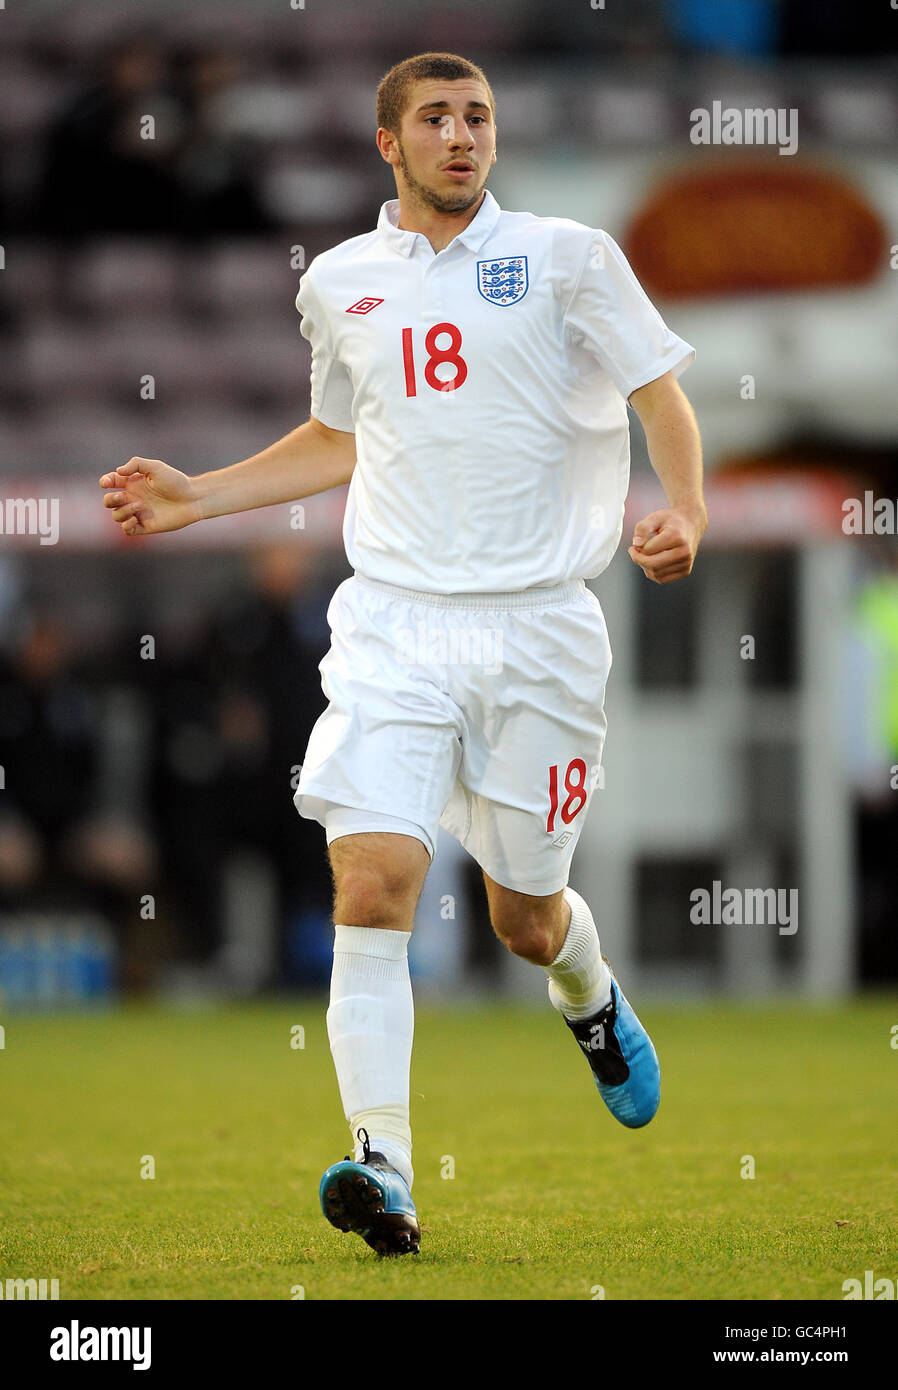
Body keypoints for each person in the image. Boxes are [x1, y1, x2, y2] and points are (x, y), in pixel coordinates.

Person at [99, 51, 707, 1258]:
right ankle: (384, 1166)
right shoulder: (339, 282)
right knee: (373, 883)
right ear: (389, 143)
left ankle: (585, 995)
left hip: (539, 625)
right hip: (393, 622)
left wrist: (684, 509)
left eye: (478, 116)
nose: (462, 135)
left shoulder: (567, 257)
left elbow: (661, 398)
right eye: (435, 118)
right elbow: (339, 434)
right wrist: (198, 497)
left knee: (523, 916)